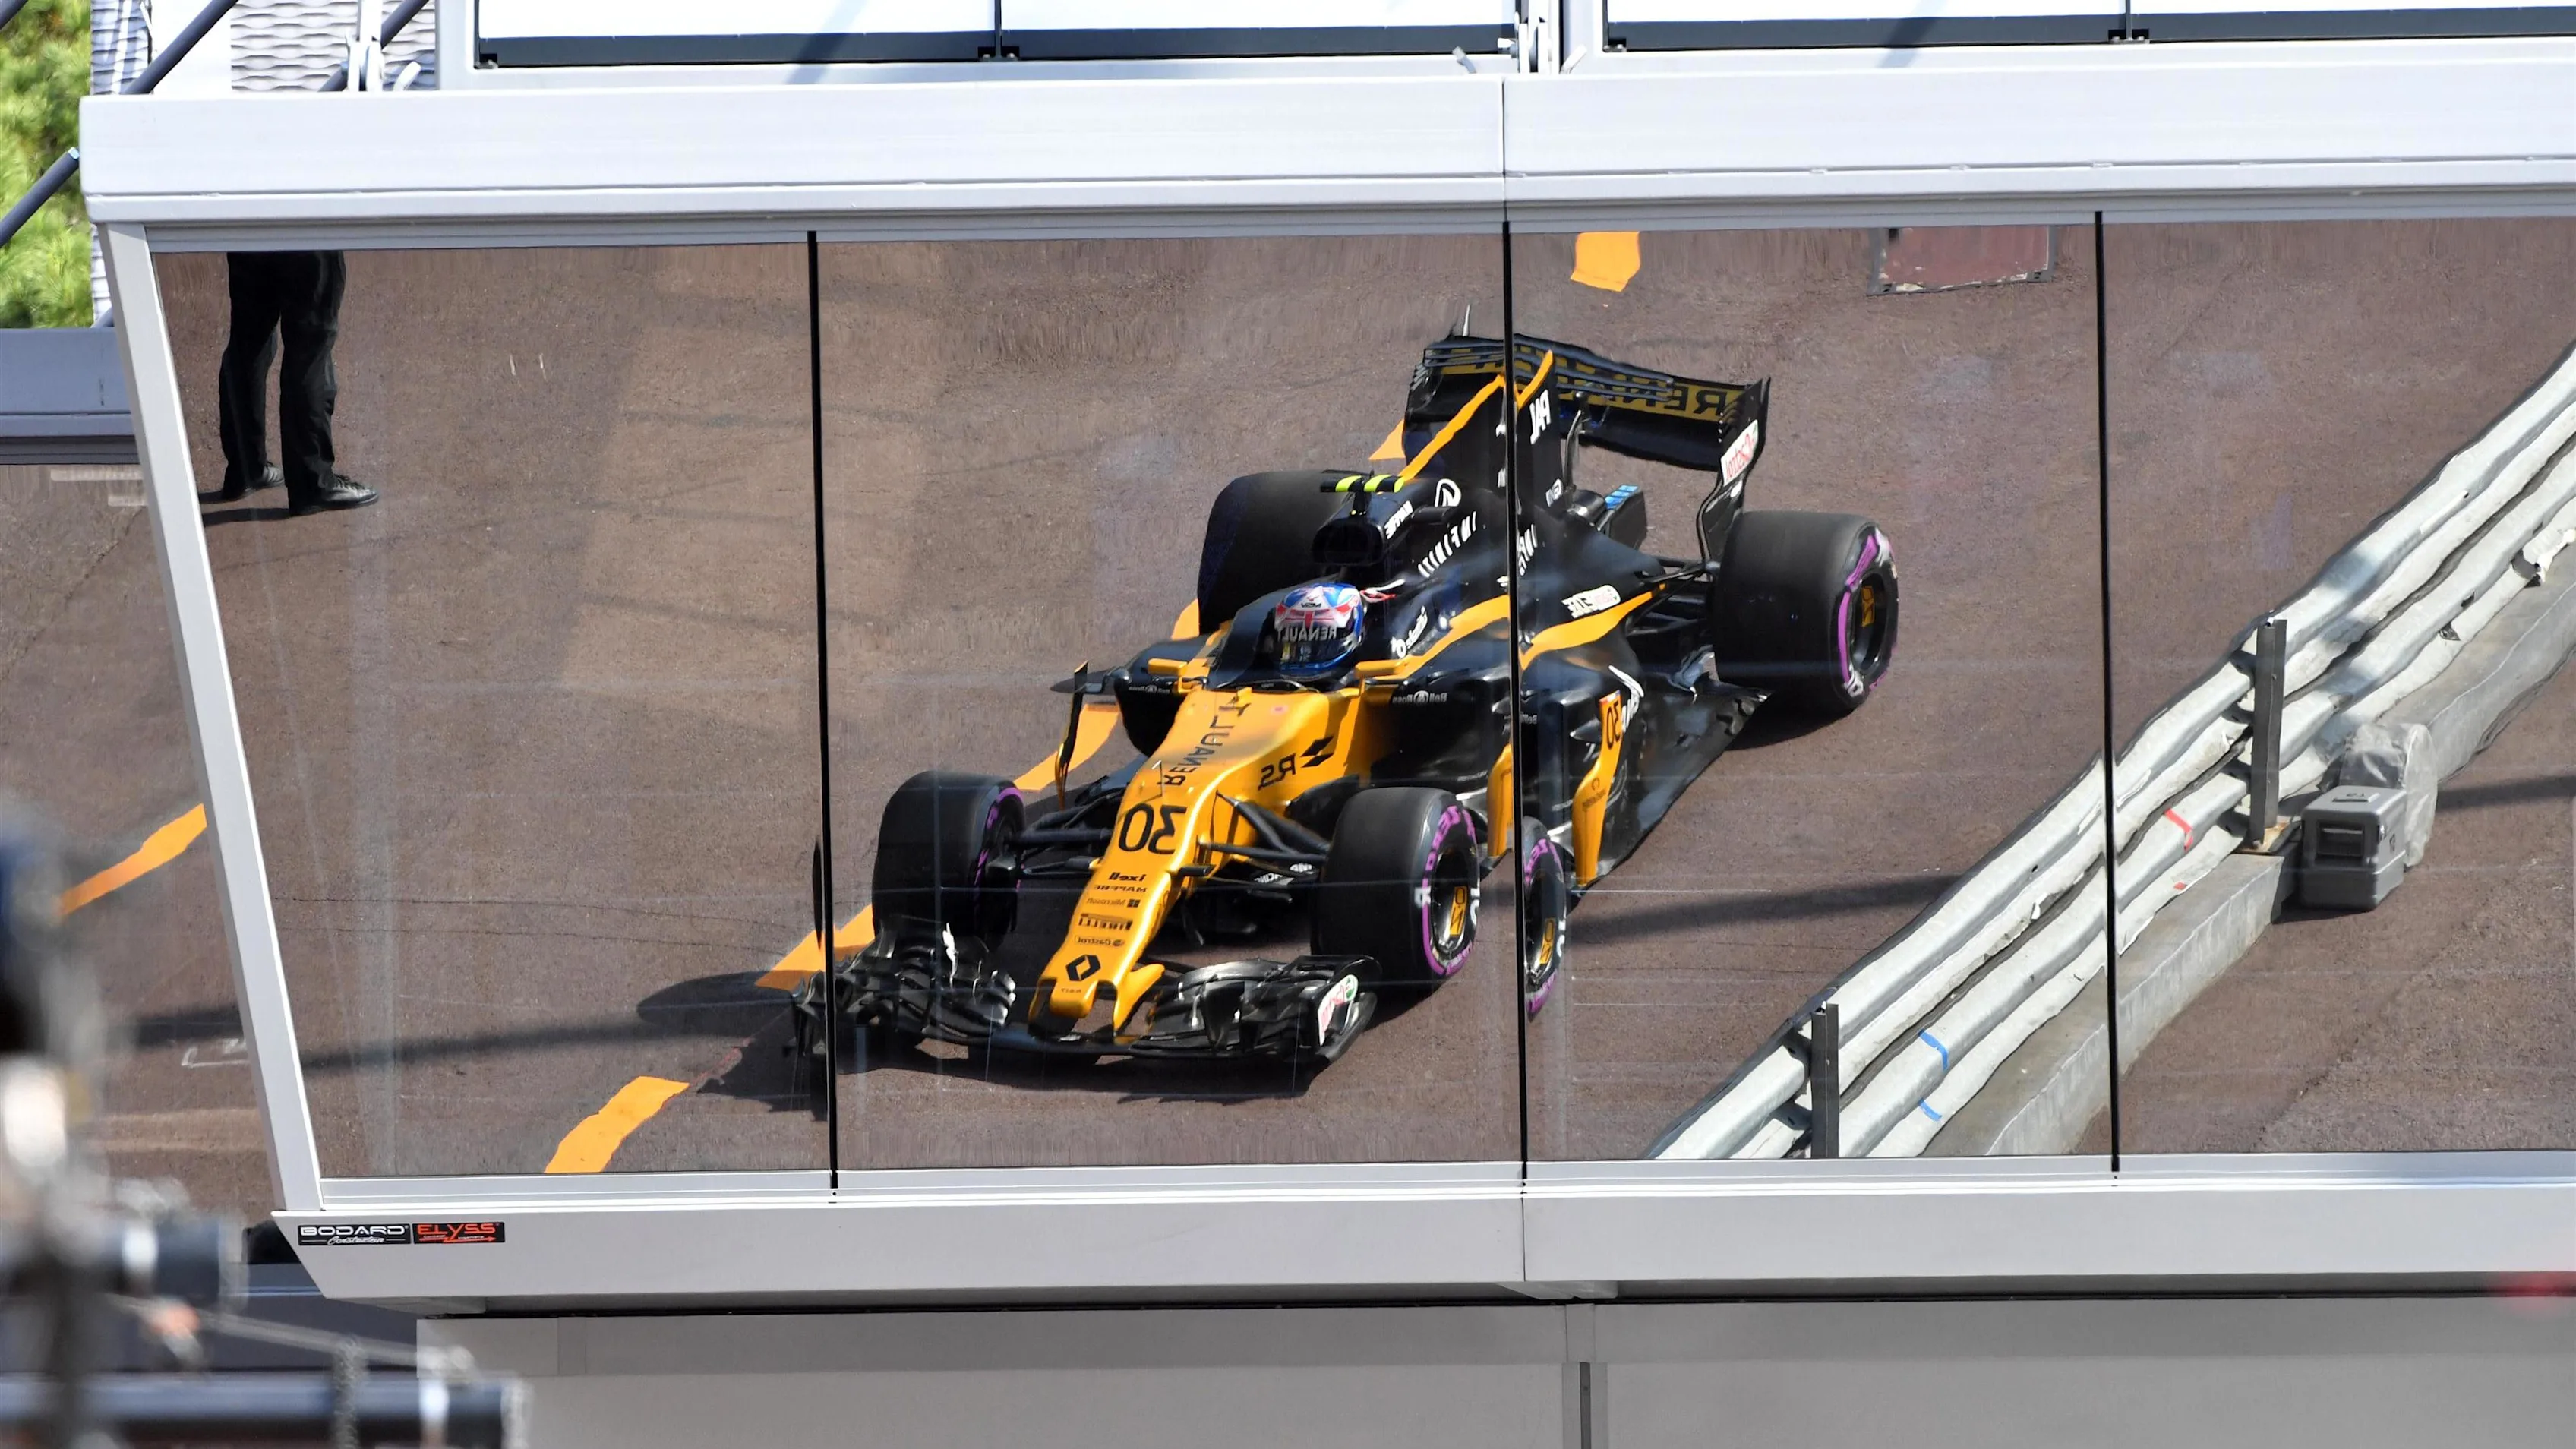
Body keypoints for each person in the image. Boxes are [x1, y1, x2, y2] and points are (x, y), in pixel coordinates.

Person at [212, 251, 377, 514]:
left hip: (248, 231)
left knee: (248, 341)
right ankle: (312, 483)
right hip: (307, 236)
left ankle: (246, 468)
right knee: (310, 348)